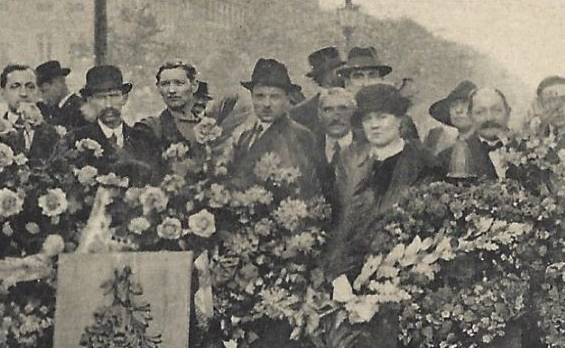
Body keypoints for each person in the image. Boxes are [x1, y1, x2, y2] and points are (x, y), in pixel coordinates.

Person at [327, 83, 435, 274]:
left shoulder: (422, 162)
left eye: (382, 117)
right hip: (348, 266)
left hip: (402, 265)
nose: (374, 125)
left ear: (399, 120)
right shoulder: (349, 158)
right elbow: (337, 218)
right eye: (368, 119)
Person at [229, 58, 327, 199]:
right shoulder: (246, 136)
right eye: (260, 96)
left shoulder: (300, 135)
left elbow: (304, 189)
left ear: (287, 98)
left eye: (274, 97)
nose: (267, 104)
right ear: (252, 97)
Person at [72, 65, 164, 184]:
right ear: (89, 100)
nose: (108, 104)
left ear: (124, 98)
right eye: (101, 97)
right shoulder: (77, 140)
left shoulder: (145, 139)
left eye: (114, 96)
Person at [149, 60, 223, 161]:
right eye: (165, 84)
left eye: (179, 83)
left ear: (194, 86)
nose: (171, 90)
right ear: (158, 88)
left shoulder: (210, 124)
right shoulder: (152, 128)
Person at [438, 86, 513, 181]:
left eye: (496, 110)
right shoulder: (447, 159)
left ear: (508, 113)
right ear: (470, 116)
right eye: (480, 112)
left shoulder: (531, 150)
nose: (489, 118)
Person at [422, 80, 475, 156]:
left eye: (464, 104)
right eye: (454, 105)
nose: (458, 110)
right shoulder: (445, 156)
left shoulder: (490, 149)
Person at [35, 60, 83, 130]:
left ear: (58, 84)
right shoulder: (55, 109)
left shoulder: (78, 108)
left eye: (44, 91)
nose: (43, 98)